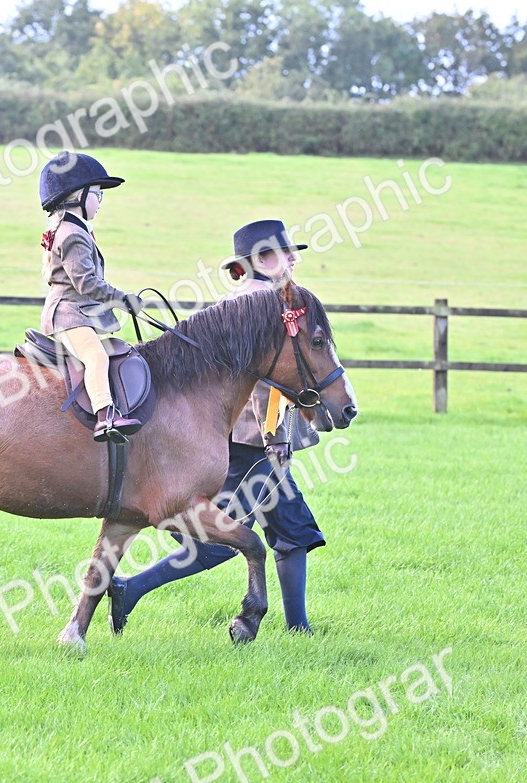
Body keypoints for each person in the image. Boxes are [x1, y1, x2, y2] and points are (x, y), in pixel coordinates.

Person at [108, 219, 327, 633]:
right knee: (236, 538)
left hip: (234, 437)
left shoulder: (238, 300)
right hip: (256, 442)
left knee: (281, 531)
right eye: (285, 252)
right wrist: (275, 434)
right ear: (262, 259)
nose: (294, 258)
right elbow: (270, 378)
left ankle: (298, 628)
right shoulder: (267, 306)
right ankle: (130, 589)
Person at [38, 150, 145, 443]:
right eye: (97, 194)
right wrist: (123, 299)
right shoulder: (72, 234)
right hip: (68, 314)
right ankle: (105, 416)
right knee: (96, 356)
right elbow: (86, 283)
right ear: (77, 196)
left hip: (76, 311)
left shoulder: (73, 228)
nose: (100, 202)